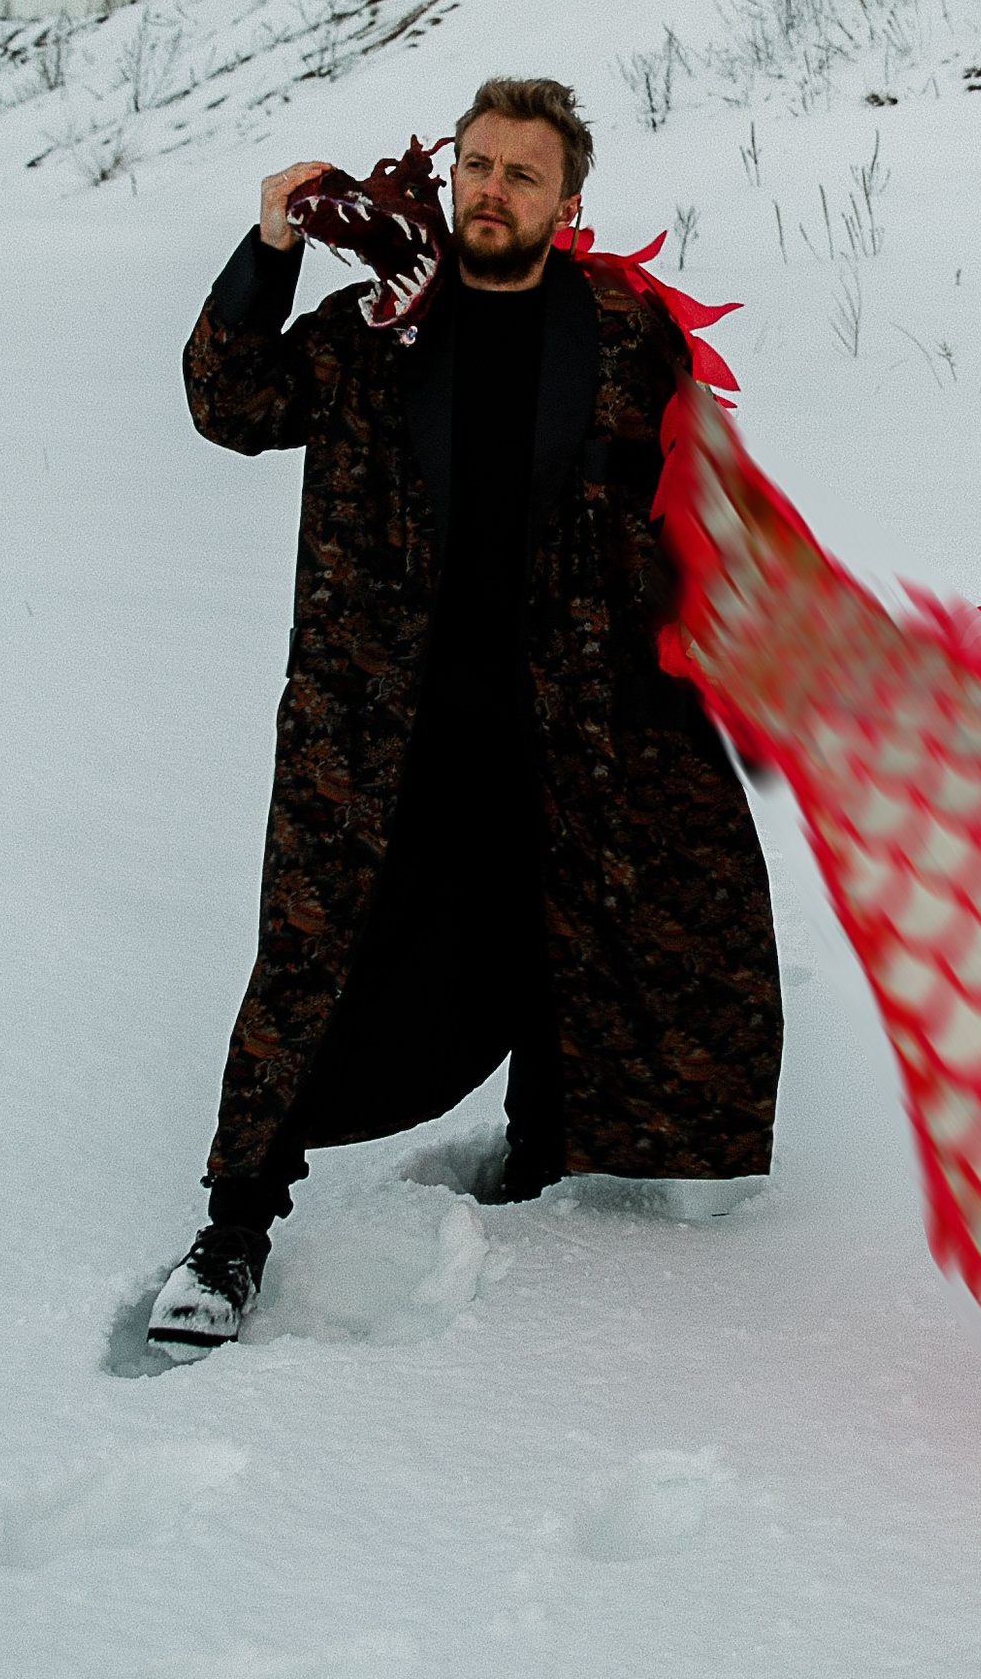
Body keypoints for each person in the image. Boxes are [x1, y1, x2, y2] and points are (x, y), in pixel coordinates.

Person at [149, 75, 783, 1349]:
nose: (491, 191)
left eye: (522, 175)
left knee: (570, 922)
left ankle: (545, 1148)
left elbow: (692, 503)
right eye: (477, 166)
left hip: (564, 714)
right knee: (311, 960)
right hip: (369, 727)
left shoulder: (617, 336)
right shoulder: (372, 322)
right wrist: (270, 245)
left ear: (569, 201)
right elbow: (229, 403)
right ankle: (232, 1231)